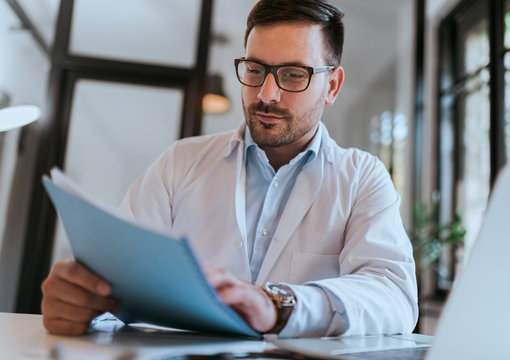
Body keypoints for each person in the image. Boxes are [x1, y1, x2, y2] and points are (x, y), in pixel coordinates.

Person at [41, 0, 418, 338]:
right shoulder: (180, 163)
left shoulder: (362, 177)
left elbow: (394, 297)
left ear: (332, 86)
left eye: (292, 75)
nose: (267, 94)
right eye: (255, 70)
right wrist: (84, 310)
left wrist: (279, 305)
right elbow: (118, 278)